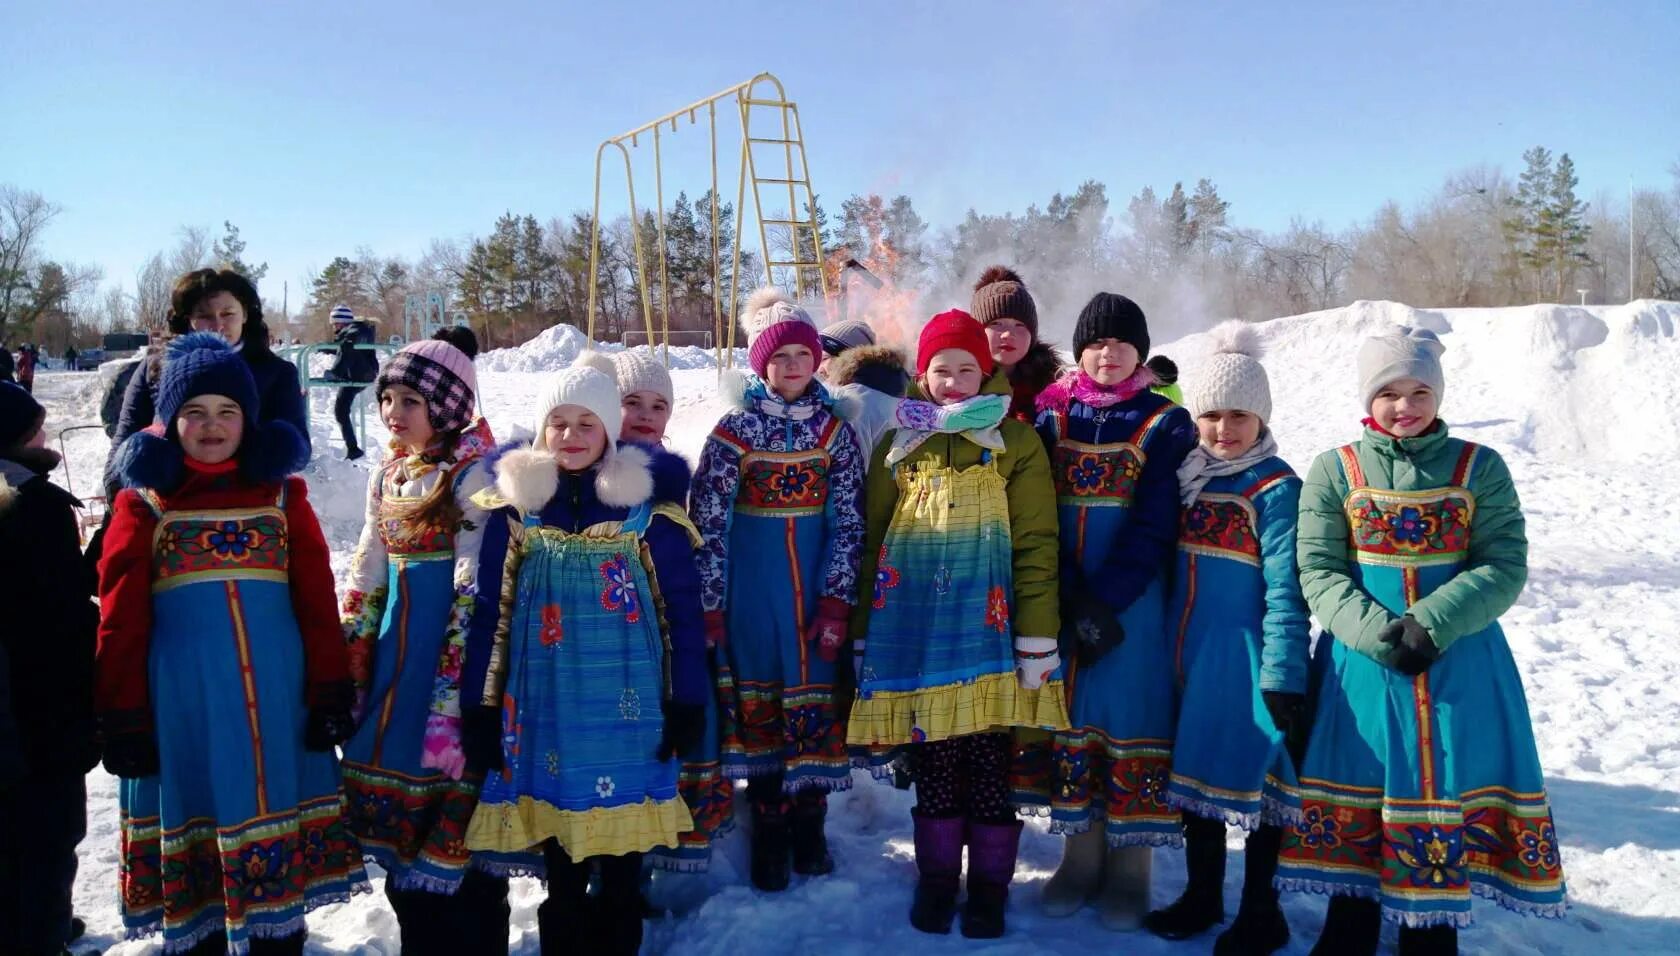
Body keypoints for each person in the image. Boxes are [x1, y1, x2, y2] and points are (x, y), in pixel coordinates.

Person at [1277, 328, 1566, 956]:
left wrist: (1430, 623)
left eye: (1418, 391)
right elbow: (1319, 570)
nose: (1403, 405)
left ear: (1437, 395)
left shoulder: (1479, 467)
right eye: (1388, 392)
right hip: (1362, 666)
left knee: (1441, 789)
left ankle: (1429, 930)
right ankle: (1348, 925)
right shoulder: (1335, 469)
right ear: (1367, 399)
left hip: (1459, 661)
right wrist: (1381, 635)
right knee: (1360, 783)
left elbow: (1503, 562)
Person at [96, 333, 366, 955]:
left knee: (278, 893)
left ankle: (280, 939)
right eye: (194, 412)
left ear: (250, 419)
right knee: (199, 886)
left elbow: (316, 600)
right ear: (169, 421)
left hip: (277, 708)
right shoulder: (145, 505)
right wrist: (122, 714)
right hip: (182, 712)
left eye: (227, 412)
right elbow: (120, 618)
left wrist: (328, 687)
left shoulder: (282, 497)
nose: (211, 426)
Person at [459, 364, 707, 955]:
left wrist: (686, 699)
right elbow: (493, 611)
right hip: (549, 712)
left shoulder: (648, 515)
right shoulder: (518, 515)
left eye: (586, 423)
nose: (571, 435)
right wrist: (481, 706)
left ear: (609, 432)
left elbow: (681, 614)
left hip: (631, 710)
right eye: (558, 422)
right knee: (563, 871)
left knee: (621, 872)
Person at [846, 309, 1067, 938]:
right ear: (922, 374)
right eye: (942, 369)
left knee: (989, 765)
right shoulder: (897, 443)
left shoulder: (1014, 442)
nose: (954, 381)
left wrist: (1037, 635)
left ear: (987, 371)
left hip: (992, 637)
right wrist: (866, 633)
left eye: (968, 368)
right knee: (937, 764)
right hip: (917, 636)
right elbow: (873, 545)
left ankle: (990, 891)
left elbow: (1036, 542)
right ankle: (939, 882)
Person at [1016, 291, 1197, 930]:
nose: (1108, 353)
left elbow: (1155, 523)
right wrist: (1067, 595)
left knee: (1131, 718)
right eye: (1095, 343)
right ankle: (1080, 856)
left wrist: (1106, 601)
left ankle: (1131, 868)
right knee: (1076, 717)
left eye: (1121, 343)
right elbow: (1035, 509)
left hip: (1133, 606)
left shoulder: (1165, 423)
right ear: (1079, 350)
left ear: (1141, 352)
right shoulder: (1050, 418)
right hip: (1066, 600)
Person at [689, 288, 865, 891]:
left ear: (817, 359)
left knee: (813, 708)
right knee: (761, 713)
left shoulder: (835, 431)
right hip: (750, 599)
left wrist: (838, 599)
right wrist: (711, 608)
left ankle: (810, 826)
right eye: (779, 355)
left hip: (815, 597)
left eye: (802, 353)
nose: (792, 365)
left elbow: (850, 522)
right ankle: (768, 828)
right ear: (759, 363)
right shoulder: (732, 432)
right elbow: (708, 526)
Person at [339, 328, 508, 953]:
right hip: (395, 657)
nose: (393, 413)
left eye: (410, 401)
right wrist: (354, 639)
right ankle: (419, 928)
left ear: (447, 406)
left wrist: (456, 673)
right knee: (393, 787)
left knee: (453, 802)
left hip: (444, 657)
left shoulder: (473, 474)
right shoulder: (385, 476)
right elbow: (370, 561)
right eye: (387, 399)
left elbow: (472, 574)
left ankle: (475, 933)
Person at [1144, 322, 1309, 954]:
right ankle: (1203, 895)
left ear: (1261, 417)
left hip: (1248, 662)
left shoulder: (1274, 486)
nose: (1223, 429)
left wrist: (1284, 674)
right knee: (1198, 783)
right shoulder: (1190, 476)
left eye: (1239, 415)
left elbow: (1286, 588)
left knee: (1260, 787)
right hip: (1187, 656)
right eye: (1211, 415)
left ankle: (1261, 910)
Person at [0, 381, 99, 956]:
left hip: (15, 704)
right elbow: (62, 605)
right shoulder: (34, 504)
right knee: (47, 833)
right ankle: (42, 933)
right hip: (39, 705)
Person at [105, 268, 308, 498]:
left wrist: (262, 452)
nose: (217, 325)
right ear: (189, 320)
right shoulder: (155, 368)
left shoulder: (276, 372)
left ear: (245, 315)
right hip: (167, 504)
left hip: (250, 504)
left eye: (228, 313)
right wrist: (116, 502)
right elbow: (125, 439)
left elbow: (299, 449)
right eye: (204, 316)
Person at [970, 266, 1063, 421]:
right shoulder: (958, 383)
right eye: (996, 324)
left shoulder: (1052, 391)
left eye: (1019, 325)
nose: (1008, 334)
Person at [326, 304, 379, 460]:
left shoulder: (359, 329)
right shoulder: (347, 333)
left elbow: (353, 341)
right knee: (340, 411)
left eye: (336, 323)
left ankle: (336, 373)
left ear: (344, 322)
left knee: (347, 345)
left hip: (363, 373)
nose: (335, 327)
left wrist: (336, 372)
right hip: (352, 374)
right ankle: (353, 449)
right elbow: (342, 348)